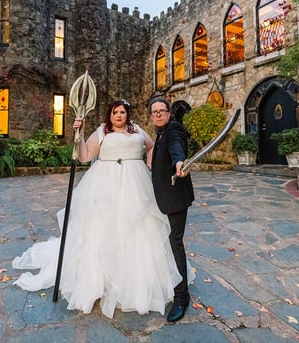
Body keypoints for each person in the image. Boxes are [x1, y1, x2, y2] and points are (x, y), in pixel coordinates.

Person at [12, 99, 182, 319]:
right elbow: (84, 156)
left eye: (122, 112)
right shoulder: (102, 131)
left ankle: (139, 279)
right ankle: (100, 280)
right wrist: (79, 134)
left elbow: (151, 147)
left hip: (136, 183)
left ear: (127, 114)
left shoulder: (137, 129)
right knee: (104, 228)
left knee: (140, 226)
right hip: (107, 184)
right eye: (115, 112)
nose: (119, 116)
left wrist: (151, 164)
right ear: (109, 115)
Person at [148, 97, 195, 323]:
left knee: (174, 243)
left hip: (175, 198)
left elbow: (176, 148)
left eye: (162, 111)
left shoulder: (173, 130)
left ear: (169, 113)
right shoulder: (160, 133)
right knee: (165, 242)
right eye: (154, 111)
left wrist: (179, 163)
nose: (158, 114)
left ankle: (181, 297)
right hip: (164, 198)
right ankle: (171, 283)